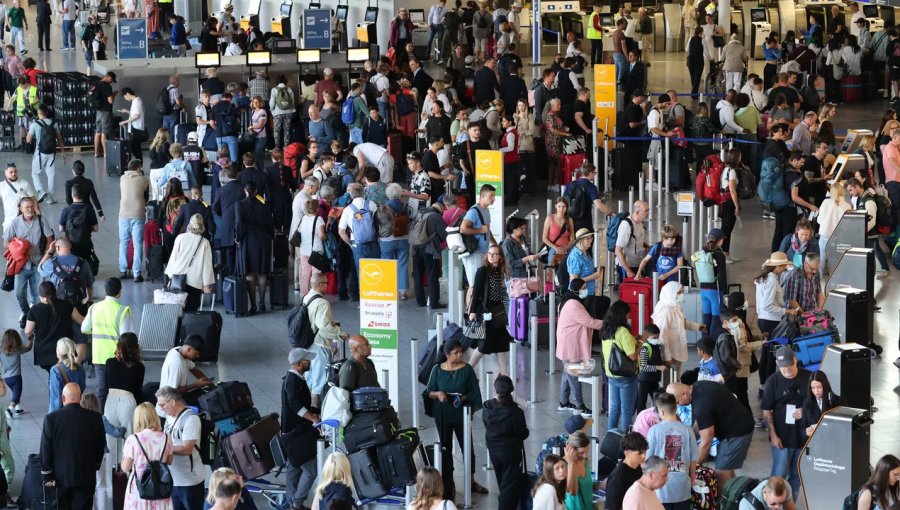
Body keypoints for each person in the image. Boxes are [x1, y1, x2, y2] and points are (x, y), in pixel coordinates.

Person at [424, 338, 486, 497]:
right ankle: (448, 482)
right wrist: (439, 394)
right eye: (455, 353)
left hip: (461, 414)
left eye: (461, 352)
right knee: (445, 448)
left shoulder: (467, 370)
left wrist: (463, 398)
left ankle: (471, 481)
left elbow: (474, 391)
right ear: (446, 354)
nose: (459, 355)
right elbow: (429, 392)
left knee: (468, 447)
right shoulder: (437, 370)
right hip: (443, 414)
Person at [666, 381, 755, 484]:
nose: (679, 406)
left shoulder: (701, 404)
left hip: (737, 431)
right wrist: (690, 438)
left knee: (721, 472)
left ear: (684, 394)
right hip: (740, 422)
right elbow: (700, 422)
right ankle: (733, 495)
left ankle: (723, 499)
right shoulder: (699, 386)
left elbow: (706, 443)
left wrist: (693, 468)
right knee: (727, 468)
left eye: (677, 402)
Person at [40, 382, 106, 510]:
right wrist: (96, 465)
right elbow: (100, 444)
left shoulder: (51, 419)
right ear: (80, 397)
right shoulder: (95, 418)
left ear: (63, 398)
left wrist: (47, 475)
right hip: (86, 476)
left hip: (60, 478)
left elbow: (46, 449)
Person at [761, 345, 811, 495]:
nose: (787, 369)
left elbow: (820, 404)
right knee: (778, 477)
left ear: (795, 360)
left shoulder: (809, 378)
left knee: (796, 477)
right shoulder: (772, 381)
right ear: (777, 364)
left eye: (789, 365)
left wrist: (805, 411)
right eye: (783, 367)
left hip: (803, 437)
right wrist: (773, 435)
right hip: (782, 439)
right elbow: (767, 411)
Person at [5, 195, 56, 328]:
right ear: (21, 209)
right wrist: (22, 251)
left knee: (38, 293)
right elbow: (6, 242)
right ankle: (26, 313)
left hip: (39, 264)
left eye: (31, 206)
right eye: (27, 207)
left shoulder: (41, 220)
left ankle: (35, 317)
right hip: (22, 265)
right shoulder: (15, 223)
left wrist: (45, 256)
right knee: (19, 293)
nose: (30, 209)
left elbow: (49, 239)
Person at [556, 278, 603, 416]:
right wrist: (609, 323)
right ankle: (579, 406)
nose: (585, 289)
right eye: (583, 287)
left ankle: (563, 402)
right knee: (573, 374)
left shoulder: (567, 300)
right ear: (577, 289)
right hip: (571, 344)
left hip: (567, 341)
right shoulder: (573, 304)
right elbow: (589, 322)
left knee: (567, 373)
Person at [482, 375, 529, 509]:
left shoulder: (487, 408)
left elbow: (486, 425)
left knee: (502, 481)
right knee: (509, 488)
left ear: (496, 390)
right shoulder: (516, 412)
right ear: (511, 390)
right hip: (511, 453)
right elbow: (523, 433)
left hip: (493, 450)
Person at [281, 348, 319, 510]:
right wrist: (313, 418)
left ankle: (291, 501)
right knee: (310, 470)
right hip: (296, 433)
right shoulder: (292, 380)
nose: (309, 362)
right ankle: (296, 502)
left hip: (293, 432)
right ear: (297, 364)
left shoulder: (297, 378)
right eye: (306, 361)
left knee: (294, 466)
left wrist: (315, 411)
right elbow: (295, 404)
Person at [156, 386, 205, 510]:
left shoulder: (190, 419)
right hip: (173, 479)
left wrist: (164, 447)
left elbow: (187, 448)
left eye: (162, 405)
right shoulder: (169, 418)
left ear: (172, 402)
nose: (161, 409)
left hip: (189, 481)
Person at [645, 393, 697, 509]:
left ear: (661, 412)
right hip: (683, 488)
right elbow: (693, 460)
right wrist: (693, 481)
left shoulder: (654, 430)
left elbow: (648, 459)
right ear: (676, 408)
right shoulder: (688, 430)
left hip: (660, 488)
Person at [120, 402, 174, 510]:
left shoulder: (133, 439)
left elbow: (125, 468)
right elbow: (169, 461)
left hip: (139, 487)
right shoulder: (166, 437)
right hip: (160, 486)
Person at [468, 244, 513, 371]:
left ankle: (504, 373)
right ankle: (468, 370)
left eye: (495, 254)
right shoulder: (482, 271)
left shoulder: (501, 271)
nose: (492, 256)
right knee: (484, 345)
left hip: (498, 312)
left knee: (502, 344)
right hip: (486, 312)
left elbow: (503, 293)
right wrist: (472, 311)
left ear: (500, 258)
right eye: (490, 254)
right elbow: (476, 293)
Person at [600, 301, 641, 431]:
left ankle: (611, 434)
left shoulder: (606, 329)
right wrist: (641, 341)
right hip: (626, 374)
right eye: (628, 315)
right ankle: (626, 439)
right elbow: (633, 356)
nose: (629, 317)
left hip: (611, 372)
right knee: (627, 409)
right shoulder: (623, 331)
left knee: (614, 407)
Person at [25, 281, 83, 371]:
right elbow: (81, 321)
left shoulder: (35, 310)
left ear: (40, 295)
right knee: (62, 373)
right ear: (55, 292)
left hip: (44, 352)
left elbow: (28, 331)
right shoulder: (66, 305)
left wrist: (31, 335)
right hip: (64, 348)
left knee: (53, 374)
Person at [235, 181, 274, 314]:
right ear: (256, 190)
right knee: (262, 272)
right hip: (263, 241)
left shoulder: (239, 205)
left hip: (248, 242)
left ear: (245, 191)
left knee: (250, 273)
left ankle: (253, 305)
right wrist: (271, 235)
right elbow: (270, 224)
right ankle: (262, 302)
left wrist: (237, 238)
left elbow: (239, 224)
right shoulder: (264, 205)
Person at [652, 281, 705, 379]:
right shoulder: (665, 311)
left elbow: (681, 323)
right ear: (671, 293)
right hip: (670, 354)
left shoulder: (674, 305)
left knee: (675, 379)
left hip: (677, 351)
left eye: (681, 292)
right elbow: (662, 336)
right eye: (679, 292)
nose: (682, 295)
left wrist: (697, 326)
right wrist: (667, 357)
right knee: (670, 382)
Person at [164, 214, 214, 311]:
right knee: (191, 312)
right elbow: (207, 265)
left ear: (189, 225)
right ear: (202, 226)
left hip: (177, 279)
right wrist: (207, 284)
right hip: (195, 282)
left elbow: (173, 258)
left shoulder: (180, 238)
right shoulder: (205, 242)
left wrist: (170, 277)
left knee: (175, 312)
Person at [157, 338, 213, 414]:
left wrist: (208, 382)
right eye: (196, 353)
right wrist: (196, 385)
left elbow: (195, 370)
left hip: (177, 400)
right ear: (189, 349)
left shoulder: (178, 350)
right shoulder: (177, 364)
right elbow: (172, 392)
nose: (197, 356)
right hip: (168, 408)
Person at [27, 104, 66, 204]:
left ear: (38, 113)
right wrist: (63, 152)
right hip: (51, 153)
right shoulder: (54, 123)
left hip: (40, 153)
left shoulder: (35, 124)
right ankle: (50, 198)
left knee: (35, 173)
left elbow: (28, 139)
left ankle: (41, 191)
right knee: (51, 175)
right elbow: (59, 138)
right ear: (47, 112)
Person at [693, 228, 728, 335]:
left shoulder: (702, 252)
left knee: (706, 319)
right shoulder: (719, 253)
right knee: (716, 320)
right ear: (720, 240)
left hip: (703, 289)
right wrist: (725, 293)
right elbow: (722, 275)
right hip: (715, 291)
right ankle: (711, 346)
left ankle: (704, 345)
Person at [603, 431, 648, 510]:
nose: (644, 456)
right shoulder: (617, 477)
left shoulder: (638, 468)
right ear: (627, 453)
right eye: (640, 453)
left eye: (644, 452)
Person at [57, 184, 98, 262]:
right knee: (85, 263)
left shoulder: (66, 210)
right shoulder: (89, 209)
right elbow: (96, 229)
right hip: (86, 243)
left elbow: (61, 229)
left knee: (73, 264)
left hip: (71, 244)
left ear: (72, 194)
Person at [0, 329, 32, 418]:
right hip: (16, 377)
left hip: (7, 378)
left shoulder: (1, 351)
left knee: (15, 392)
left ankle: (18, 408)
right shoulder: (17, 350)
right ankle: (10, 409)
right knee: (17, 393)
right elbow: (28, 348)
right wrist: (30, 340)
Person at [801, 370, 843, 437]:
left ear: (825, 385)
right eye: (813, 388)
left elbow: (842, 426)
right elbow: (802, 427)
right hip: (816, 442)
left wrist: (819, 427)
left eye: (819, 387)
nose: (816, 391)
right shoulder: (807, 402)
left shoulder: (838, 401)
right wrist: (806, 431)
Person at [48, 338, 85, 412]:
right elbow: (82, 388)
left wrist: (51, 418)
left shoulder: (55, 370)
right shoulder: (80, 368)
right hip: (78, 410)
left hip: (63, 412)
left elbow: (56, 399)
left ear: (58, 353)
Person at [563, 431, 594, 510]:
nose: (585, 455)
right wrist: (571, 464)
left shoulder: (585, 461)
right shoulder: (563, 466)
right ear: (571, 449)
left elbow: (587, 487)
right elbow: (572, 491)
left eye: (587, 451)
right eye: (581, 452)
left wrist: (601, 484)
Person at [118, 88, 147, 163]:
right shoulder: (136, 101)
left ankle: (139, 167)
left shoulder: (137, 101)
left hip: (136, 128)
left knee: (136, 149)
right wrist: (127, 111)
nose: (125, 98)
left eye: (124, 97)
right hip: (135, 127)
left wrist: (125, 122)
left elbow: (136, 116)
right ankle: (139, 166)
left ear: (128, 94)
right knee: (135, 149)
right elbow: (135, 113)